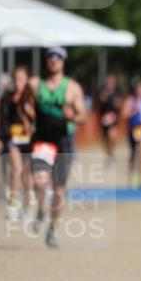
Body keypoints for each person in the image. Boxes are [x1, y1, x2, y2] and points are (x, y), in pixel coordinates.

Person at [29, 47, 87, 249]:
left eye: (58, 58)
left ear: (63, 62)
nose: (54, 61)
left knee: (59, 190)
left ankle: (52, 230)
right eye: (50, 57)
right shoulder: (36, 85)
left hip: (63, 141)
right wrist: (26, 118)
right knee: (39, 181)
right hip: (42, 139)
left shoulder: (72, 88)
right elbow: (22, 103)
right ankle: (41, 210)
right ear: (46, 61)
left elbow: (83, 117)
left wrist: (73, 116)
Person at [0, 65, 36, 223]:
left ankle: (27, 208)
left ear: (27, 80)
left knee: (27, 176)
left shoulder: (32, 97)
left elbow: (39, 118)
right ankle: (12, 204)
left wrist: (30, 119)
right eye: (16, 78)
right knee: (16, 169)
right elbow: (2, 119)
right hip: (12, 138)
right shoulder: (7, 97)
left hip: (29, 140)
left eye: (21, 78)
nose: (18, 81)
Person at [96, 73, 123, 163]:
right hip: (104, 119)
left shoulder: (117, 93)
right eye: (108, 82)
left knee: (112, 137)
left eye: (111, 82)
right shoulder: (102, 92)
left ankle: (112, 153)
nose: (109, 84)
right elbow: (98, 106)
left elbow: (120, 106)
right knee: (105, 139)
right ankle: (109, 155)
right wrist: (102, 99)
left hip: (113, 119)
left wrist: (117, 103)